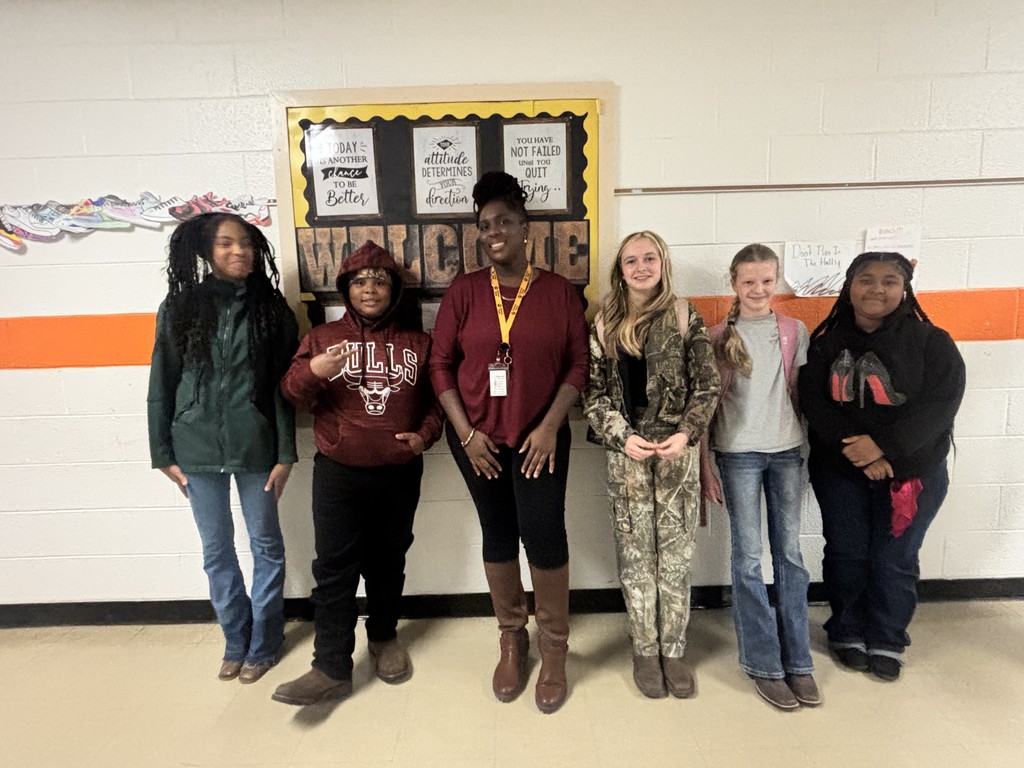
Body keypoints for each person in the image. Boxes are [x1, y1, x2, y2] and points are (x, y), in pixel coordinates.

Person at [429, 171, 588, 714]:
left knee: (543, 534)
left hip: (540, 438)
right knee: (498, 533)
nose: (493, 231)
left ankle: (555, 648)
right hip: (478, 442)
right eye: (484, 225)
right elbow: (440, 364)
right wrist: (466, 433)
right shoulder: (464, 292)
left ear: (525, 229)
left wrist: (548, 426)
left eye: (503, 222)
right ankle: (511, 637)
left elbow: (579, 363)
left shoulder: (558, 292)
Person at [272, 241, 443, 705]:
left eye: (380, 281)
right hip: (338, 473)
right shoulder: (322, 339)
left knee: (389, 562)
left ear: (394, 290)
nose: (370, 289)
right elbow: (290, 392)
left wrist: (424, 437)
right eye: (360, 281)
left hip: (398, 472)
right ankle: (330, 666)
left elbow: (437, 405)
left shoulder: (419, 342)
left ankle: (384, 638)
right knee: (333, 569)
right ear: (346, 289)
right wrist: (315, 370)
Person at [799, 252, 965, 682]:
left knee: (894, 558)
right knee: (847, 552)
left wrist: (885, 450)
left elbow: (940, 407)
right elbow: (813, 402)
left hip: (912, 474)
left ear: (904, 288)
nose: (876, 289)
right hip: (841, 470)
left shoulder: (932, 342)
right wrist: (856, 451)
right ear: (849, 287)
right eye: (865, 280)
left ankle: (888, 638)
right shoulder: (826, 342)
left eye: (889, 281)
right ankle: (848, 631)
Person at [147, 212, 298, 684]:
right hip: (194, 448)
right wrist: (162, 453)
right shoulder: (178, 308)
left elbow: (283, 389)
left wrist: (286, 453)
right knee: (216, 551)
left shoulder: (273, 312)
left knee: (266, 545)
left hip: (258, 446)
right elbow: (162, 383)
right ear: (206, 252)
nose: (241, 251)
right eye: (228, 244)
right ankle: (235, 639)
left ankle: (265, 641)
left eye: (248, 243)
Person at [583, 231, 719, 699]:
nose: (641, 267)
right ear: (619, 271)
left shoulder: (684, 315)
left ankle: (674, 651)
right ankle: (644, 650)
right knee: (636, 558)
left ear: (663, 262)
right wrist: (623, 436)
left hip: (676, 455)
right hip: (627, 459)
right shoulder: (604, 324)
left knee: (676, 559)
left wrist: (686, 434)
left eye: (650, 258)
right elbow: (594, 396)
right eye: (630, 261)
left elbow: (707, 385)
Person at [700, 244, 819, 711]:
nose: (758, 289)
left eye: (767, 281)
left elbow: (803, 394)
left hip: (787, 453)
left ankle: (799, 660)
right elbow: (706, 409)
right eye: (748, 281)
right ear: (733, 284)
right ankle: (764, 662)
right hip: (737, 456)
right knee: (748, 558)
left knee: (790, 555)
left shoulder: (794, 331)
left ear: (777, 281)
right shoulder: (715, 337)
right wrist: (706, 464)